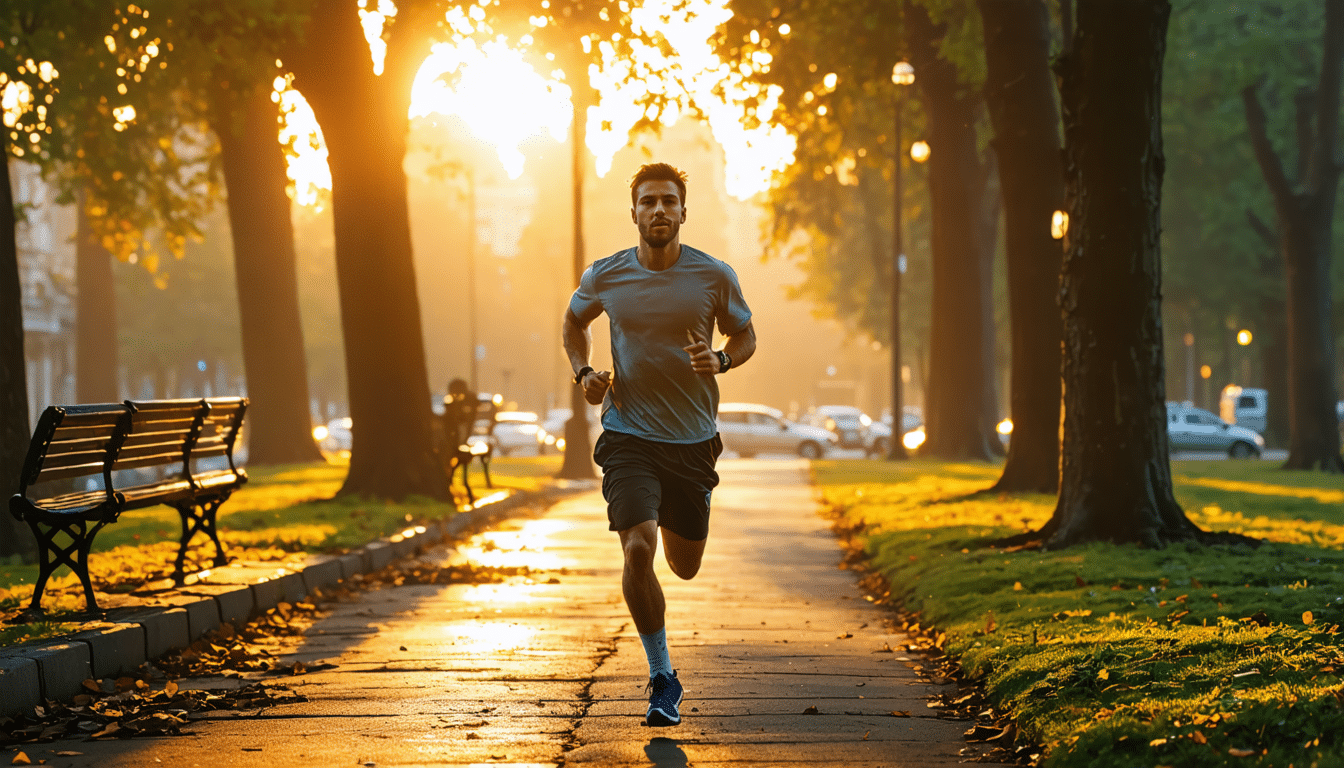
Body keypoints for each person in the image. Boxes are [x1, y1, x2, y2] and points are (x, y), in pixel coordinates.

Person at [561, 162, 756, 727]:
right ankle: (661, 676)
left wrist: (720, 359)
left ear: (683, 211)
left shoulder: (713, 276)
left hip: (694, 442)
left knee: (684, 565)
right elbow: (573, 325)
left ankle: (682, 527)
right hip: (628, 435)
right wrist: (585, 374)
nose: (659, 211)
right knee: (638, 550)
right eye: (648, 202)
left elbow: (744, 334)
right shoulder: (607, 275)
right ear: (635, 213)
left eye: (669, 201)